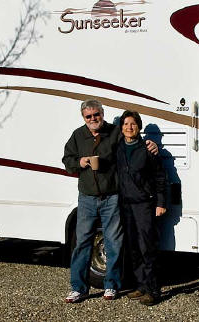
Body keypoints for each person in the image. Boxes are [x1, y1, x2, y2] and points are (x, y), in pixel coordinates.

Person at [62, 99, 158, 303]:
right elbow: (67, 161)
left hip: (111, 197)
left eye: (96, 114)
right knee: (82, 244)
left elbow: (132, 142)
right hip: (87, 198)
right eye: (88, 116)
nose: (93, 119)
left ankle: (111, 286)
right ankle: (78, 288)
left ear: (102, 114)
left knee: (114, 243)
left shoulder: (115, 132)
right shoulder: (78, 135)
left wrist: (150, 143)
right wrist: (79, 162)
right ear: (83, 118)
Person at [117, 110, 166, 306]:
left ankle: (153, 290)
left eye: (133, 124)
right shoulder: (118, 148)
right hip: (125, 204)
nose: (130, 127)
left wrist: (161, 202)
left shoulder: (148, 149)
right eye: (126, 124)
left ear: (139, 127)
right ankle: (140, 286)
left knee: (147, 247)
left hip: (144, 204)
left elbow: (160, 177)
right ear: (121, 127)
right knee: (133, 248)